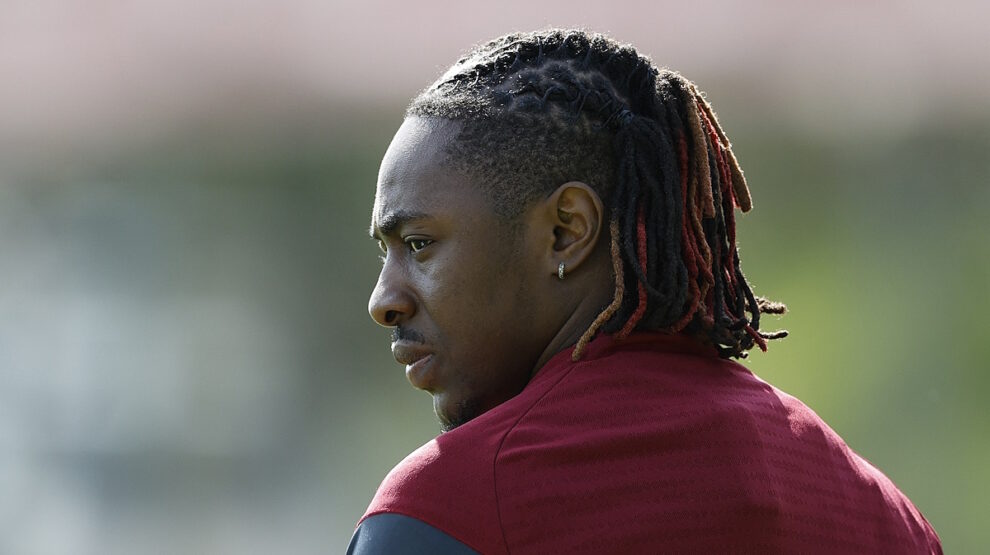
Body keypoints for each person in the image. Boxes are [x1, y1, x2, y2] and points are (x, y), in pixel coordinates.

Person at [349, 29, 942, 554]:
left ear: (566, 231)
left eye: (418, 244)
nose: (383, 301)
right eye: (385, 252)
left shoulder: (448, 511)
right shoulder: (886, 517)